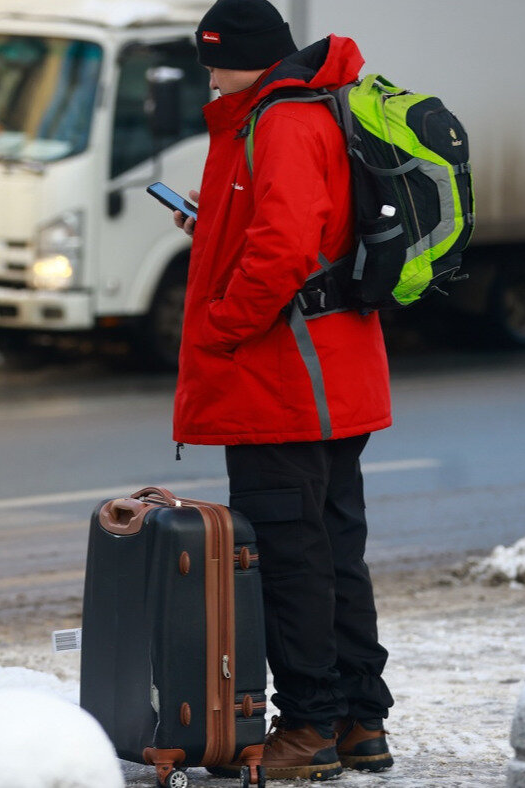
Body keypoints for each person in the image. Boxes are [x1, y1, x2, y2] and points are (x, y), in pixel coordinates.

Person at [169, 0, 394, 779]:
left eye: (213, 56)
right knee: (332, 551)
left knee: (295, 560)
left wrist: (222, 324)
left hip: (287, 380)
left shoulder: (281, 120)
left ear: (249, 55)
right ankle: (361, 721)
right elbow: (287, 228)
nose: (207, 70)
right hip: (326, 371)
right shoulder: (289, 111)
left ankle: (309, 730)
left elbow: (286, 247)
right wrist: (213, 231)